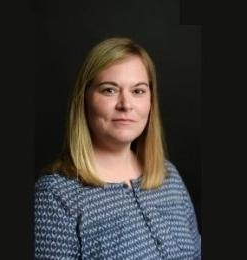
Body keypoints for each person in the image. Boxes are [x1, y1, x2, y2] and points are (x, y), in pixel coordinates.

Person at [34, 37, 201, 259]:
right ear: (84, 98)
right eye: (109, 90)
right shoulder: (55, 195)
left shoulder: (168, 176)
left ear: (151, 101)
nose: (126, 104)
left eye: (138, 91)